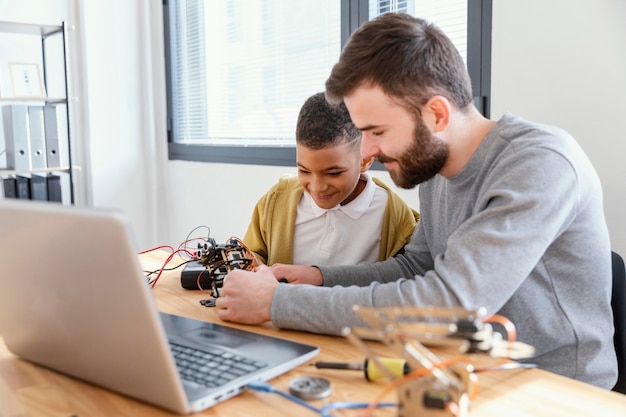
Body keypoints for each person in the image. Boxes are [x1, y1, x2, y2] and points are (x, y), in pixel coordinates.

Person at [215, 13, 617, 389]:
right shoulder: (436, 171)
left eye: (376, 131)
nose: (368, 150)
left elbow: (450, 303)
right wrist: (320, 277)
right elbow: (417, 266)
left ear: (436, 115)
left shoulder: (541, 163)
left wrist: (280, 302)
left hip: (556, 389)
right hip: (465, 372)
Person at [243, 92, 419, 266]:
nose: (317, 187)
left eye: (333, 173)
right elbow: (253, 255)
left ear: (365, 160)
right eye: (304, 170)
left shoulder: (395, 219)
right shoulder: (275, 201)